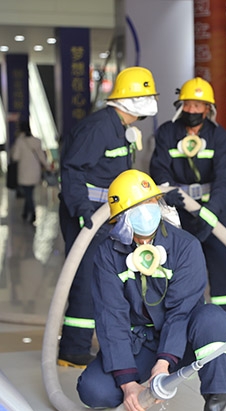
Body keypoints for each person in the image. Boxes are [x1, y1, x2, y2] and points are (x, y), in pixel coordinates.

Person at [76, 170, 226, 411]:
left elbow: (181, 312)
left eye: (150, 204)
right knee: (93, 390)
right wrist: (127, 383)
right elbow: (111, 319)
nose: (146, 212)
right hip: (141, 342)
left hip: (184, 338)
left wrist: (164, 364)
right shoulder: (107, 255)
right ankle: (130, 393)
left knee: (213, 319)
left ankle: (215, 409)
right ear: (120, 218)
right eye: (136, 208)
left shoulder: (185, 246)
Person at [58, 66, 159, 367]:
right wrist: (82, 211)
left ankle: (103, 341)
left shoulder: (121, 128)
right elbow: (72, 169)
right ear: (130, 99)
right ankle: (73, 350)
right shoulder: (99, 127)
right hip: (88, 216)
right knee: (86, 279)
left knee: (105, 277)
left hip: (108, 217)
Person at [150, 77, 226, 320]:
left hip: (212, 212)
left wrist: (210, 213)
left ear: (208, 109)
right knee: (175, 268)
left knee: (221, 268)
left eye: (198, 106)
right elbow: (159, 167)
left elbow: (223, 179)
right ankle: (179, 324)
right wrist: (168, 193)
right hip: (177, 211)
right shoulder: (167, 132)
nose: (192, 111)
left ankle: (221, 325)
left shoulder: (218, 137)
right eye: (188, 105)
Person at [10, 121, 52, 224]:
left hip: (24, 171)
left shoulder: (20, 141)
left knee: (28, 193)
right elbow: (42, 157)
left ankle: (32, 212)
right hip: (35, 171)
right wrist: (47, 167)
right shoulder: (37, 141)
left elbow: (15, 157)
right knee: (29, 192)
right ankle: (25, 213)